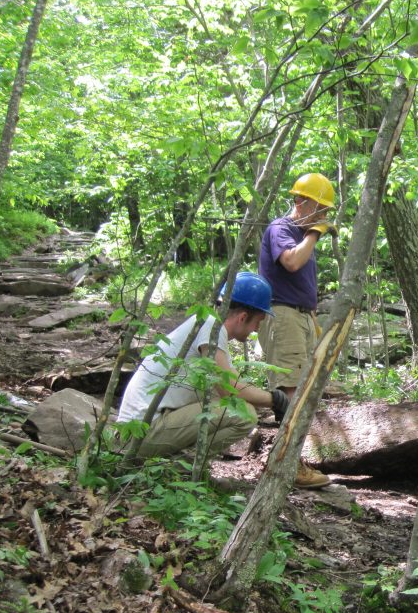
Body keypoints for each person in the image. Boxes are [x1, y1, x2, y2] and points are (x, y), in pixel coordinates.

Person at [117, 272, 290, 461]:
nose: (256, 329)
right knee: (244, 414)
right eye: (258, 321)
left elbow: (224, 389)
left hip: (141, 430)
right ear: (242, 317)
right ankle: (181, 467)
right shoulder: (210, 327)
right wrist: (274, 400)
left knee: (223, 400)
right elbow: (230, 390)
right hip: (138, 435)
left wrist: (270, 399)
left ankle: (178, 467)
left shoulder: (208, 326)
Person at [258, 172, 338, 489]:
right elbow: (291, 262)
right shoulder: (282, 229)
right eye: (320, 209)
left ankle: (291, 459)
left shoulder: (304, 234)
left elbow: (302, 277)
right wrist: (315, 234)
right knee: (291, 389)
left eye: (326, 212)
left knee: (302, 388)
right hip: (283, 314)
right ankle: (288, 464)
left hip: (301, 316)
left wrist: (313, 317)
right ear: (301, 203)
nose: (324, 217)